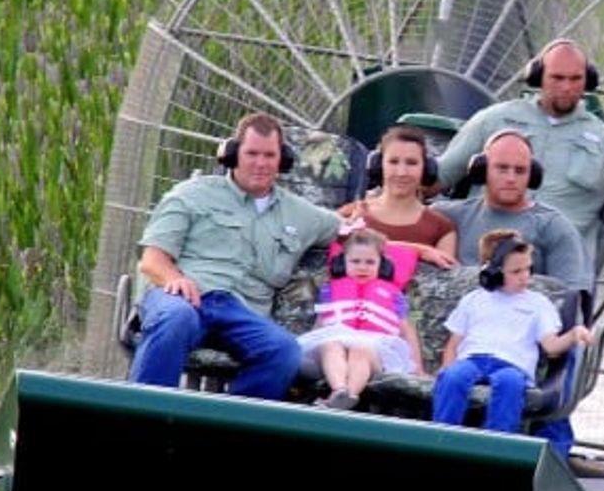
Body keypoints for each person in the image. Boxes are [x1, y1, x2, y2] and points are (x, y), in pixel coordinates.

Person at [130, 112, 344, 397]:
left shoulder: (302, 213)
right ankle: (142, 422)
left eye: (269, 155)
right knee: (176, 319)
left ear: (284, 159)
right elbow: (152, 260)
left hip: (243, 312)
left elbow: (355, 229)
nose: (260, 163)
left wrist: (419, 244)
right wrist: (174, 279)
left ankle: (227, 433)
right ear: (232, 154)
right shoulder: (191, 195)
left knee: (285, 350)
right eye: (252, 153)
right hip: (185, 297)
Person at [434, 40, 604, 263]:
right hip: (482, 262)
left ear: (588, 81)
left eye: (575, 79)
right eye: (557, 78)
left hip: (558, 271)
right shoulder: (493, 120)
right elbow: (438, 178)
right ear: (538, 76)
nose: (566, 87)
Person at [431, 230, 591, 434]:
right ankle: (442, 437)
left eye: (528, 269)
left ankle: (497, 443)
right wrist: (446, 368)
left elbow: (551, 347)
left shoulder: (537, 303)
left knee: (510, 383)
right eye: (516, 272)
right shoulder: (473, 300)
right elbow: (454, 344)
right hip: (472, 359)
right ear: (492, 272)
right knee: (453, 377)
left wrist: (574, 334)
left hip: (512, 365)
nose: (525, 277)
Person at [432, 130, 592, 294]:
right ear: (481, 170)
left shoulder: (553, 227)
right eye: (502, 168)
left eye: (520, 171)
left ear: (532, 176)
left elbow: (570, 297)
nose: (511, 178)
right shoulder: (448, 216)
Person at [299, 227, 422, 410]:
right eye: (355, 261)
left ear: (382, 265)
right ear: (343, 263)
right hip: (336, 337)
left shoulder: (394, 295)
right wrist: (311, 342)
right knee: (329, 344)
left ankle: (350, 394)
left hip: (375, 347)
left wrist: (418, 367)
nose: (362, 267)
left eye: (370, 262)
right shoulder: (329, 290)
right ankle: (339, 390)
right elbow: (321, 322)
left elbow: (407, 330)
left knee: (360, 349)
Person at [338, 125, 457, 268]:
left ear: (426, 169)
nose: (402, 172)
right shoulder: (350, 214)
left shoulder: (441, 227)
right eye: (393, 162)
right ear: (378, 166)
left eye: (411, 163)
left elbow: (447, 279)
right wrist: (420, 251)